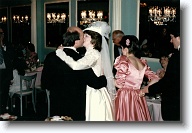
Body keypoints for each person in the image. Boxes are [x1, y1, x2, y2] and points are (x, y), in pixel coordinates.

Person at [41, 26, 108, 121]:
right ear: (76, 41)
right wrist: (104, 78)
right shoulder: (79, 59)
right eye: (82, 36)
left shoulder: (50, 56)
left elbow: (44, 83)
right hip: (75, 107)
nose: (84, 38)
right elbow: (95, 83)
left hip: (56, 104)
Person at [56, 21, 115, 121]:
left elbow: (75, 66)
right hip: (90, 90)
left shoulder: (93, 54)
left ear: (94, 41)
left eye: (86, 36)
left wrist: (60, 53)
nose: (83, 38)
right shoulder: (89, 53)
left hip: (94, 92)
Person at [113, 35, 159, 121]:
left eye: (122, 48)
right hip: (138, 96)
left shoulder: (123, 60)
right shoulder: (142, 62)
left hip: (125, 97)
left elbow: (119, 84)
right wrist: (144, 89)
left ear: (125, 49)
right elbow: (156, 79)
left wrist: (109, 79)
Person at [141, 27, 180, 121]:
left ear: (179, 38)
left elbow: (168, 82)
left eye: (172, 37)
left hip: (175, 104)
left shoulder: (177, 57)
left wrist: (148, 89)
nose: (171, 41)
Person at [0, 27, 15, 114]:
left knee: (4, 93)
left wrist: (2, 47)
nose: (1, 35)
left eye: (2, 33)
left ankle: (3, 110)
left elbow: (11, 58)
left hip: (5, 73)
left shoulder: (7, 45)